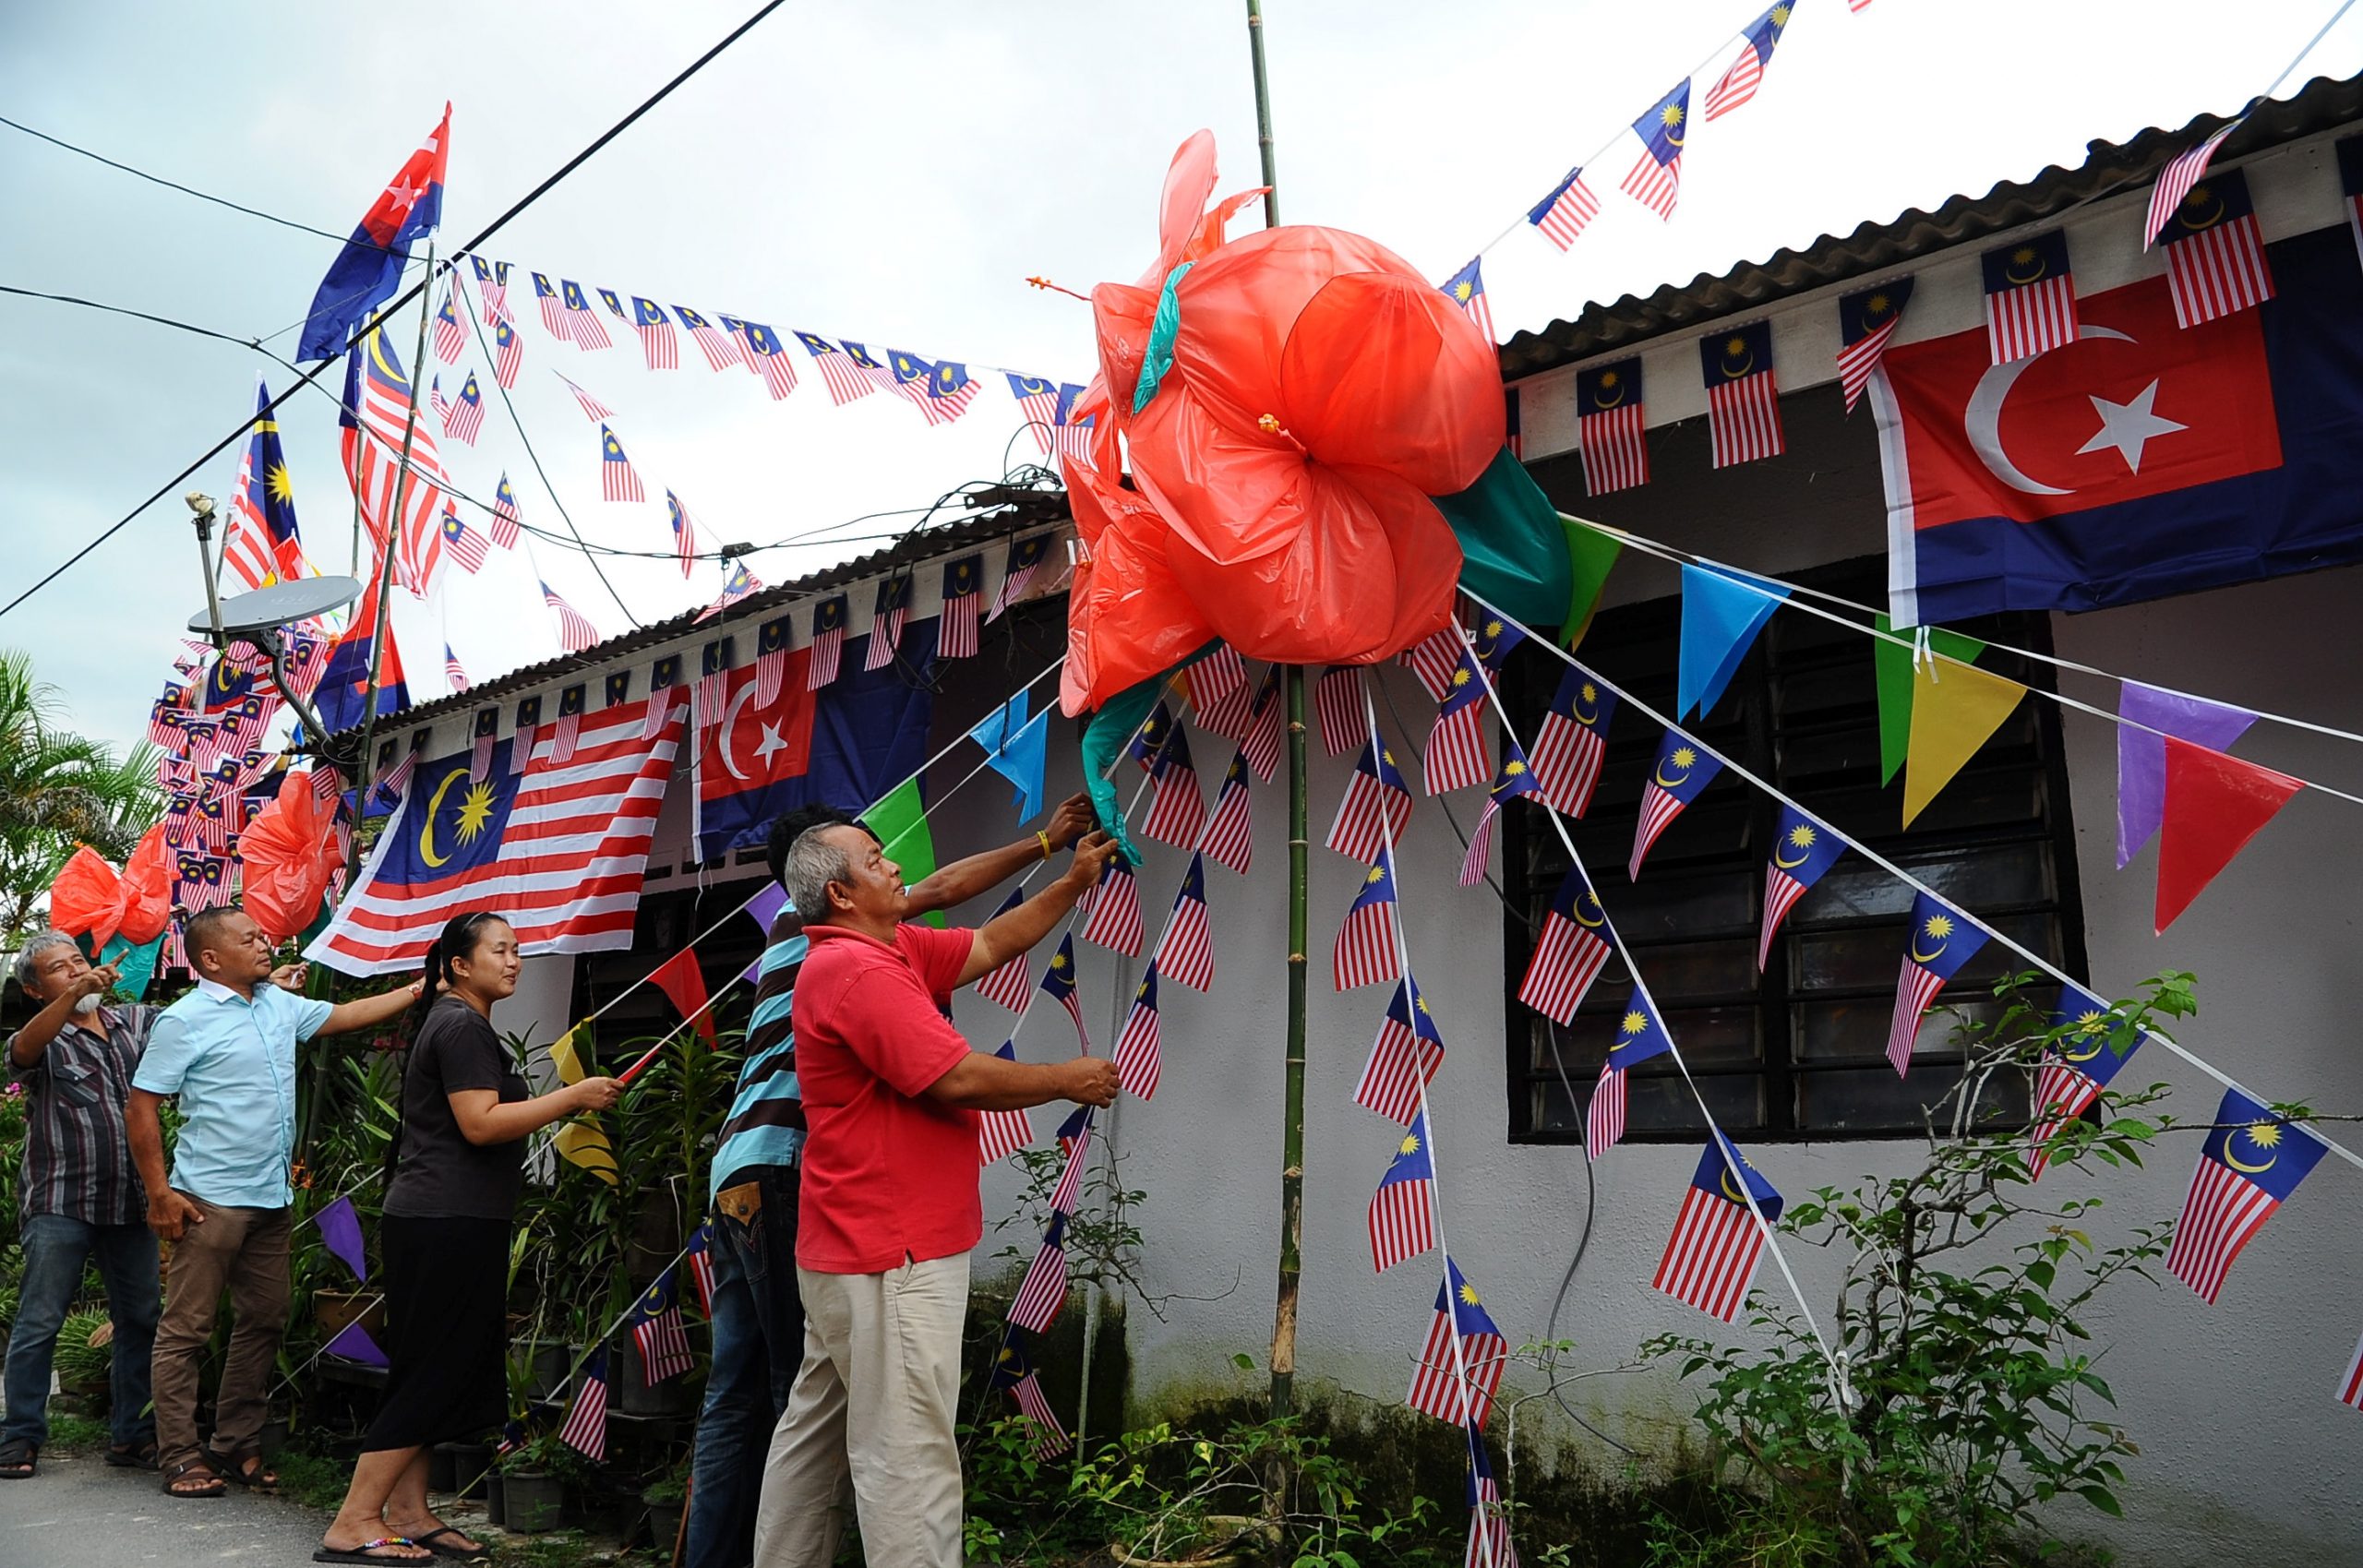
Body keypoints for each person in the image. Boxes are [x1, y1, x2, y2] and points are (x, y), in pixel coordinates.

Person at [686, 794, 1101, 1568]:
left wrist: (1070, 878)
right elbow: (954, 1077)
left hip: (851, 1242)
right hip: (891, 1250)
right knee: (907, 1457)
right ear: (841, 893)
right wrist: (1064, 1078)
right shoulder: (850, 968)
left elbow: (986, 943)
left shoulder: (891, 947)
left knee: (812, 1436)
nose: (898, 864)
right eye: (877, 859)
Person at [315, 911, 622, 1564]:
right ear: (459, 964)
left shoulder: (461, 1021)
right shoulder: (460, 1024)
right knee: (434, 1368)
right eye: (501, 950)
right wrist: (573, 1097)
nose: (514, 960)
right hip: (444, 1218)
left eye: (518, 950)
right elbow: (480, 1123)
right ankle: (354, 1519)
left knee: (435, 1363)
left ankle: (409, 1509)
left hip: (447, 1216)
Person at [127, 904, 424, 1502]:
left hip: (270, 1197)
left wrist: (421, 987)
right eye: (250, 939)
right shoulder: (184, 1020)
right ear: (211, 958)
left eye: (263, 936)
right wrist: (160, 1193)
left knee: (264, 1318)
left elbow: (343, 1015)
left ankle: (235, 1442)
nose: (265, 945)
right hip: (207, 1199)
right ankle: (180, 1454)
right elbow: (141, 1106)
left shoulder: (279, 1004)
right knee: (187, 1328)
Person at [0, 934, 164, 1479]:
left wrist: (268, 989)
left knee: (139, 1318)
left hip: (132, 1200)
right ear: (33, 989)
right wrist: (72, 999)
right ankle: (20, 1435)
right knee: (40, 1319)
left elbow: (202, 1020)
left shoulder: (134, 1024)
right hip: (60, 1201)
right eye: (58, 970)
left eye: (79, 963)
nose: (76, 972)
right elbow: (22, 1049)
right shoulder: (42, 1039)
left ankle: (132, 1436)